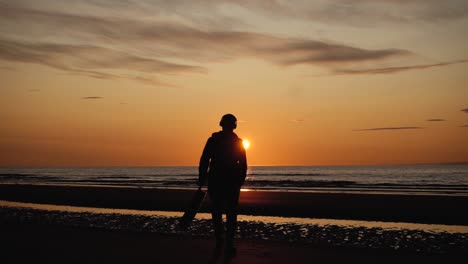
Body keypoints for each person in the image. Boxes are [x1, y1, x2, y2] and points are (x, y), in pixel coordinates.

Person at [198, 114, 247, 257]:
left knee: (217, 210)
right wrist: (240, 179)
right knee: (231, 211)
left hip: (217, 179)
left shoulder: (213, 140)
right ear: (234, 125)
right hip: (230, 181)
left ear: (221, 124)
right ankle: (228, 241)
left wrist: (202, 177)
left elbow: (204, 160)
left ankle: (220, 239)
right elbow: (243, 164)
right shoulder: (237, 142)